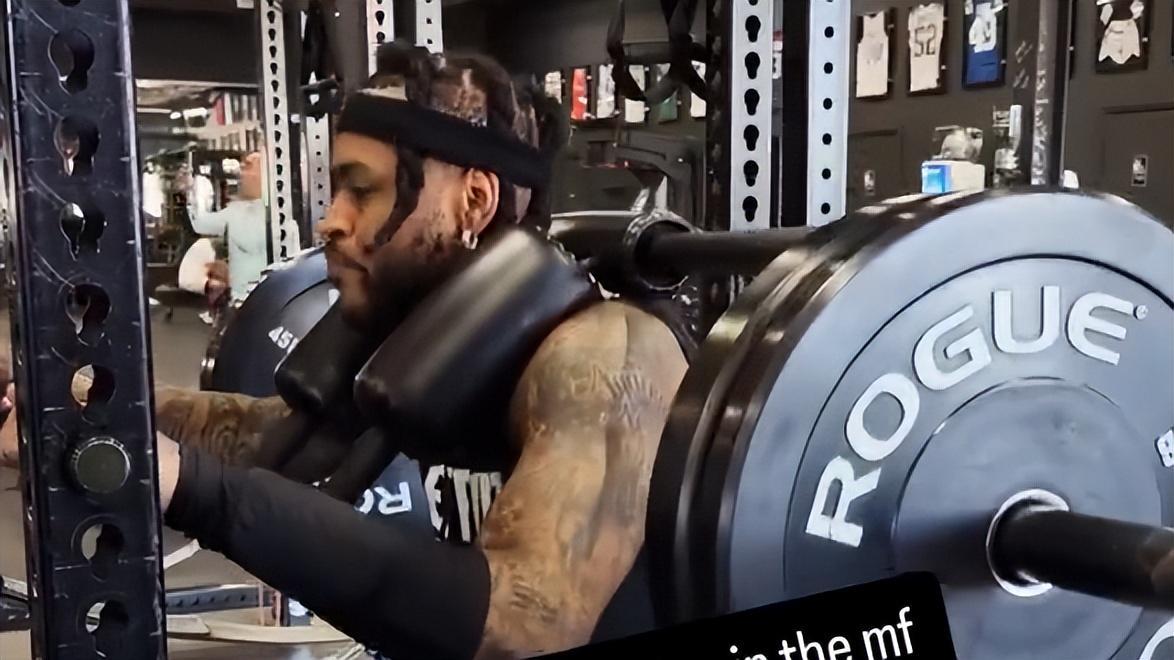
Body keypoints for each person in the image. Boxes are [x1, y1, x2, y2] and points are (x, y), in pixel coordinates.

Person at [0, 43, 688, 659]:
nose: (330, 219)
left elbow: (523, 625)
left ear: (472, 201)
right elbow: (275, 435)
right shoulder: (443, 332)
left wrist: (191, 486)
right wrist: (79, 397)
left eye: (362, 190)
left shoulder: (605, 354)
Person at [186, 150, 274, 302]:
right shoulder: (237, 211)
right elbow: (199, 224)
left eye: (248, 167)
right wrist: (192, 191)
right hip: (244, 298)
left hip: (266, 296)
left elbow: (199, 223)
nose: (241, 175)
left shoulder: (277, 212)